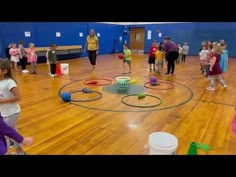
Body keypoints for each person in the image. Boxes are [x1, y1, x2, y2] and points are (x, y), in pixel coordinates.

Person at [0, 60, 25, 154]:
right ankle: (20, 152)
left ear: (4, 71)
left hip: (12, 113)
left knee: (4, 134)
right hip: (4, 113)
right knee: (13, 132)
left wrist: (1, 101)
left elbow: (18, 97)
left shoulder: (10, 83)